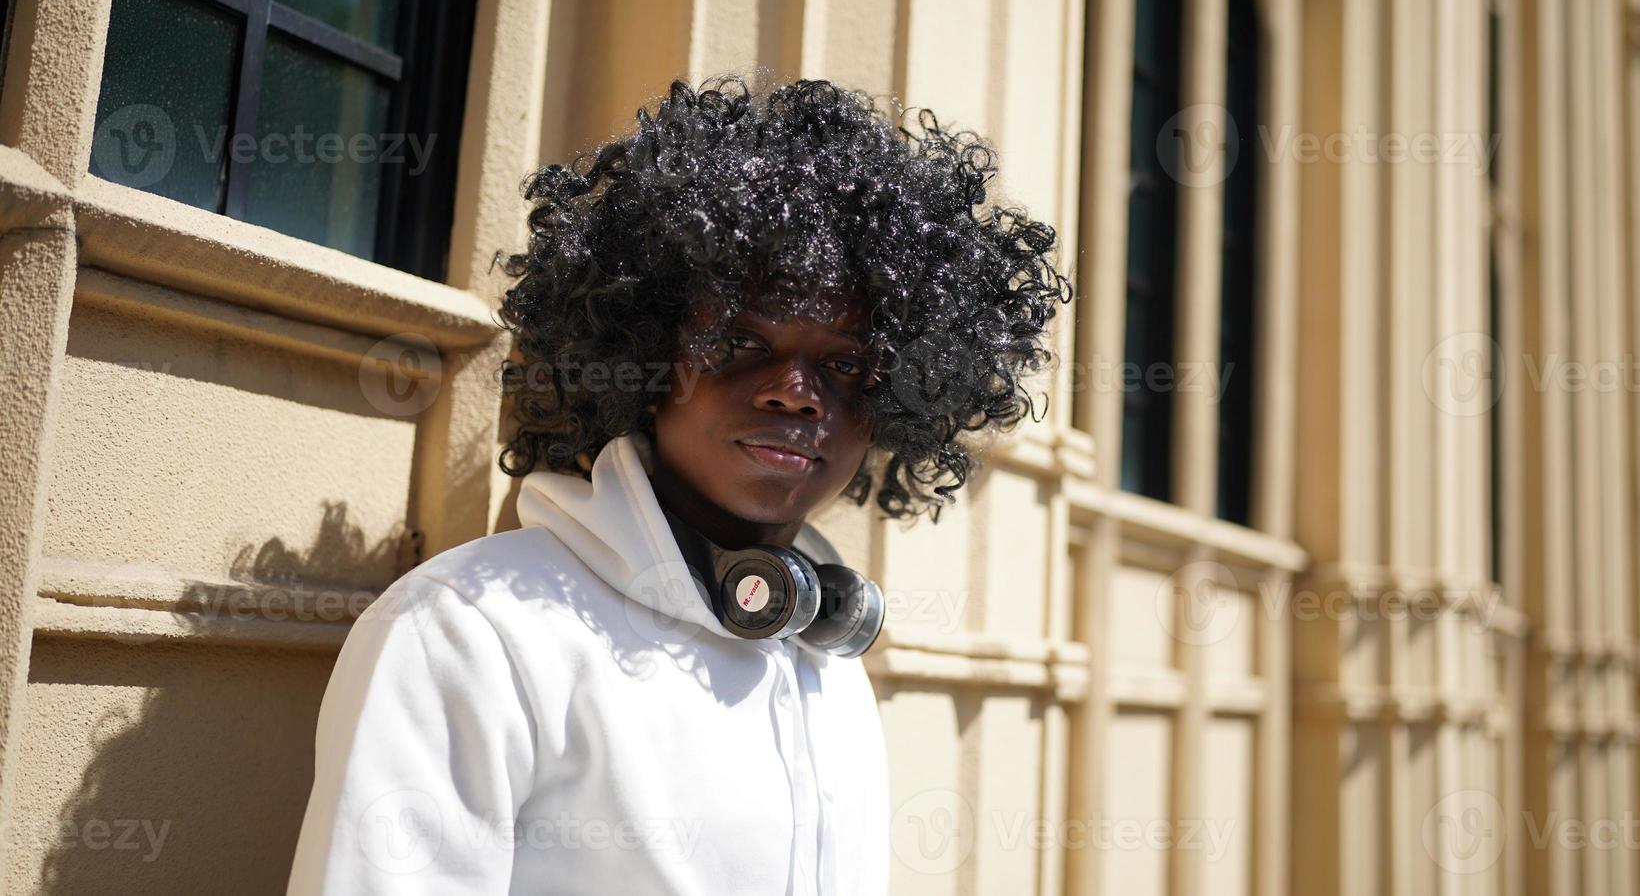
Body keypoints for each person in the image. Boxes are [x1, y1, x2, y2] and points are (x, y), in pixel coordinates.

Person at [285, 74, 1071, 894]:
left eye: (844, 365)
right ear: (649, 361)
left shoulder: (826, 662)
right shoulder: (468, 632)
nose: (797, 392)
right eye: (741, 343)